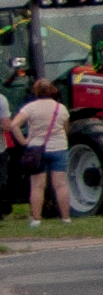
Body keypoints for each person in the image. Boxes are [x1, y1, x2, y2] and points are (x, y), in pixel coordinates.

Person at [12, 78, 72, 224]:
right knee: (61, 185)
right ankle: (66, 218)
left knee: (37, 186)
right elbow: (66, 129)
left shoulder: (30, 108)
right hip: (59, 148)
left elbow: (14, 125)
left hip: (36, 149)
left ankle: (36, 220)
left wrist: (23, 141)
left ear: (36, 91)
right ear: (52, 90)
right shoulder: (61, 108)